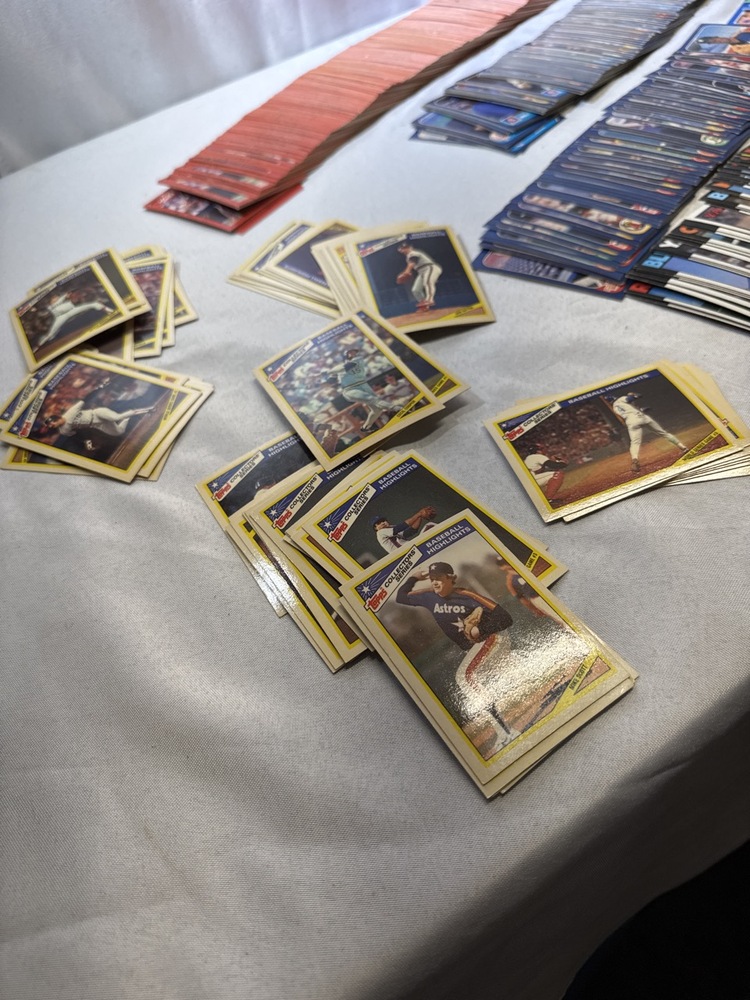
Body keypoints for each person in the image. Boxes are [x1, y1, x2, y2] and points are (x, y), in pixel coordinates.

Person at [396, 561, 519, 747]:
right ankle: (516, 661)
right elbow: (401, 597)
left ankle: (506, 733)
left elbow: (506, 618)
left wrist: (480, 630)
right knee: (476, 680)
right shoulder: (429, 596)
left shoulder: (467, 596)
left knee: (465, 677)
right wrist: (413, 578)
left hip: (493, 639)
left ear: (450, 578)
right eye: (432, 579)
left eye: (439, 578)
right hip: (478, 647)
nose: (435, 582)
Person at [605, 392, 688, 473]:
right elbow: (630, 399)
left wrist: (641, 408)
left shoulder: (615, 408)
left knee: (635, 442)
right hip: (642, 417)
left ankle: (635, 459)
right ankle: (682, 447)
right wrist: (633, 395)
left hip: (631, 421)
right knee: (663, 433)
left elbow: (629, 411)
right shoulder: (621, 399)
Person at [324, 348, 402, 431]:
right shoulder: (340, 366)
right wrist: (332, 378)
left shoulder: (358, 359)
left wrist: (325, 373)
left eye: (354, 352)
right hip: (350, 389)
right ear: (345, 356)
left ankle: (365, 427)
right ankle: (398, 409)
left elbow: (346, 367)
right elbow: (331, 379)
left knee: (377, 410)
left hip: (363, 385)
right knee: (373, 399)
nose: (353, 353)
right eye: (350, 352)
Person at [45, 400, 155, 439]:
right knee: (118, 432)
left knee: (117, 417)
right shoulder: (63, 431)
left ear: (57, 418)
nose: (52, 425)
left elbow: (83, 401)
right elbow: (77, 434)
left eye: (52, 422)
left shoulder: (70, 412)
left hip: (97, 414)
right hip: (95, 424)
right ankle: (129, 416)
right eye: (51, 426)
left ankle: (146, 410)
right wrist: (86, 441)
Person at [37, 291, 108, 346]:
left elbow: (63, 298)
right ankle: (39, 345)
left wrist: (66, 295)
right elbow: (58, 302)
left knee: (92, 305)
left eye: (55, 297)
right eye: (54, 298)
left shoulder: (64, 300)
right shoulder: (50, 307)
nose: (55, 298)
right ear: (51, 300)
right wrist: (64, 296)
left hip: (71, 310)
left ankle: (108, 310)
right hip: (61, 316)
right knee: (50, 334)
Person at [396, 242, 443, 311]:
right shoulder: (408, 257)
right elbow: (412, 267)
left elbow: (412, 263)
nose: (405, 249)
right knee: (415, 290)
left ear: (411, 247)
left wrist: (406, 272)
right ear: (400, 250)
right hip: (421, 272)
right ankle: (424, 306)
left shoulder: (413, 253)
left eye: (406, 247)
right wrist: (407, 273)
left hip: (430, 268)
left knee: (428, 283)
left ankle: (429, 300)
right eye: (403, 248)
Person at [371, 507, 437, 553]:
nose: (382, 523)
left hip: (410, 550)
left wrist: (420, 517)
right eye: (378, 523)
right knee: (430, 525)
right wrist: (419, 514)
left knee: (429, 526)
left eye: (383, 521)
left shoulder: (391, 528)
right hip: (404, 554)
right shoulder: (380, 532)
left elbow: (410, 532)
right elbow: (401, 527)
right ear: (375, 528)